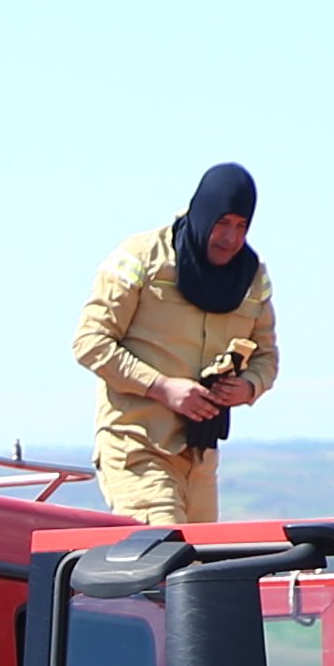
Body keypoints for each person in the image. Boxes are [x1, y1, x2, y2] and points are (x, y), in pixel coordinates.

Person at [75, 162, 279, 527]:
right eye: (222, 223)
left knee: (198, 572)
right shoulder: (141, 257)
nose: (230, 239)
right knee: (166, 560)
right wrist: (162, 388)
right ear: (203, 212)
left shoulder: (251, 276)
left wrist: (248, 387)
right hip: (137, 447)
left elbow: (266, 356)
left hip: (200, 459)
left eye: (241, 226)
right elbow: (90, 342)